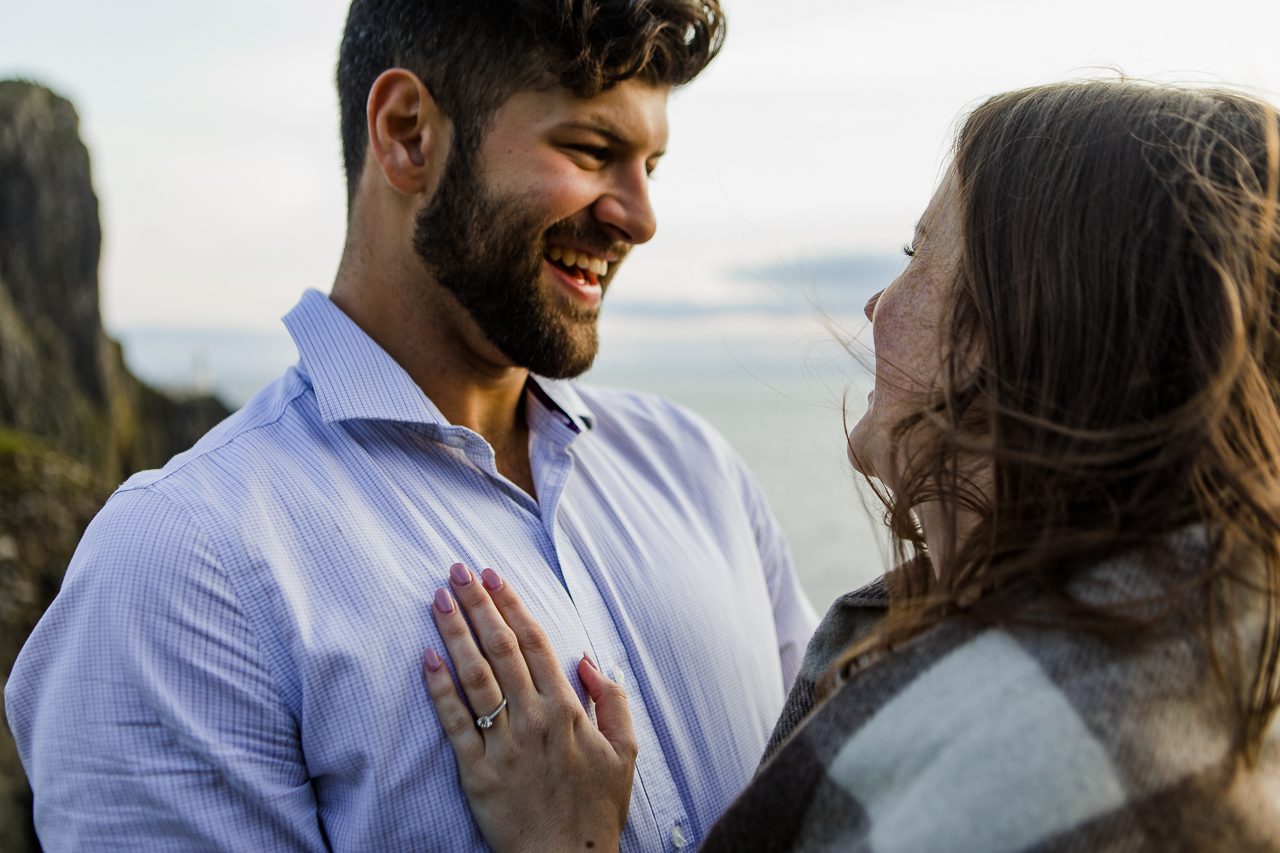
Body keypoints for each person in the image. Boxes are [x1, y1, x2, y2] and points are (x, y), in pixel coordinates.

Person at [4, 1, 818, 849]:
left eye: (650, 162)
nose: (640, 216)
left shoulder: (700, 473)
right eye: (590, 151)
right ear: (406, 134)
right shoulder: (182, 566)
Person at [421, 79, 1280, 850]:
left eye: (917, 260)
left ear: (1029, 331)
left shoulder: (1024, 783)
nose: (876, 305)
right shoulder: (1196, 662)